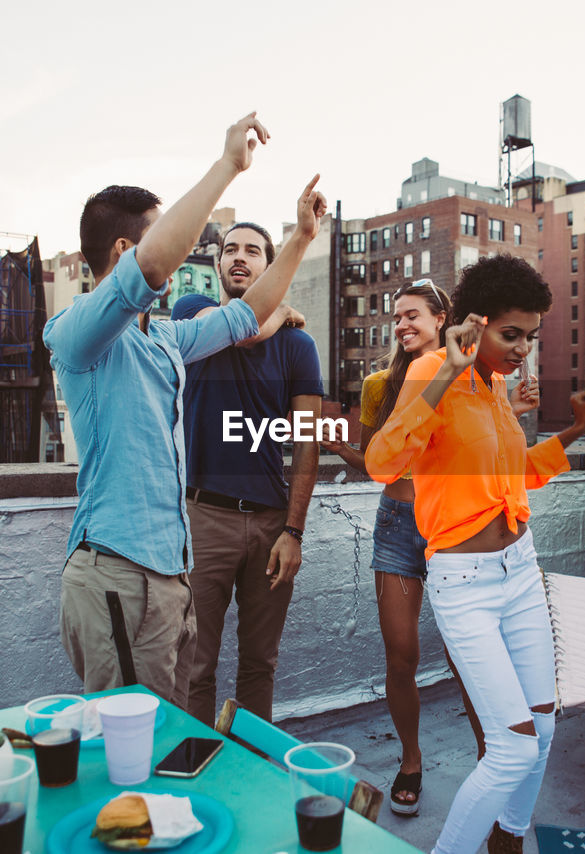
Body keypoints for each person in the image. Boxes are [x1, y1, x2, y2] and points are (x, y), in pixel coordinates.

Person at [45, 113, 312, 707]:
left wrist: (300, 238)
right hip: (116, 573)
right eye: (164, 232)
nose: (183, 243)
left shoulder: (165, 338)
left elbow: (246, 315)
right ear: (123, 247)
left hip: (169, 578)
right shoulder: (78, 334)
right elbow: (152, 268)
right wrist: (228, 167)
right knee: (129, 754)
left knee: (165, 738)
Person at [366, 255, 585, 854]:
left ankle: (509, 842)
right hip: (465, 583)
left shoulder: (496, 388)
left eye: (531, 335)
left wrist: (573, 432)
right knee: (513, 746)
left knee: (543, 730)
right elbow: (382, 462)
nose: (523, 348)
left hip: (521, 571)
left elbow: (514, 475)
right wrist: (449, 370)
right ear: (475, 323)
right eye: (510, 333)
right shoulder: (430, 371)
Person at [322, 278, 540, 816]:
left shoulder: (481, 376)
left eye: (413, 315)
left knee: (466, 659)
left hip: (457, 532)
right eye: (396, 317)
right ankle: (412, 759)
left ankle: (495, 758)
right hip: (400, 523)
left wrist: (517, 412)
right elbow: (380, 460)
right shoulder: (382, 383)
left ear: (444, 320)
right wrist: (338, 447)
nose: (402, 325)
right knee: (402, 656)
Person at [175, 201, 328, 726]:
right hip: (202, 520)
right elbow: (239, 330)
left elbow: (307, 444)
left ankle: (252, 766)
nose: (240, 258)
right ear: (218, 264)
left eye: (254, 251)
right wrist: (279, 309)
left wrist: (294, 530)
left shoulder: (298, 347)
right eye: (230, 250)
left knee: (259, 665)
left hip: (270, 523)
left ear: (270, 264)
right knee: (194, 664)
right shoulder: (192, 310)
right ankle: (200, 766)